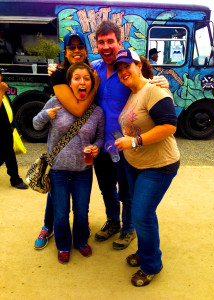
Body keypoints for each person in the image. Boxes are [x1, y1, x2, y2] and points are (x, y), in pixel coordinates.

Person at [47, 21, 169, 251]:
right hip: (101, 143)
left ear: (119, 43)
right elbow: (74, 78)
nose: (105, 46)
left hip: (127, 144)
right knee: (106, 188)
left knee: (127, 191)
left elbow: (150, 85)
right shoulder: (94, 69)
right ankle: (113, 220)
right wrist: (55, 70)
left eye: (110, 41)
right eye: (101, 42)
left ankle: (128, 228)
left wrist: (164, 82)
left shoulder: (131, 68)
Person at [113, 49, 180, 286]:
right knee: (142, 214)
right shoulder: (134, 93)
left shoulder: (153, 90)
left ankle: (151, 265)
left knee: (142, 214)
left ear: (139, 65)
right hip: (135, 164)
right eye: (119, 69)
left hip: (159, 165)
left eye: (127, 66)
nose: (123, 72)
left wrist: (133, 141)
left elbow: (169, 126)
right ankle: (145, 253)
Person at [34, 30, 99, 250]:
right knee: (58, 198)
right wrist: (95, 86)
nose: (76, 51)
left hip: (84, 151)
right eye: (71, 47)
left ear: (86, 50)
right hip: (60, 157)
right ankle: (48, 226)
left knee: (80, 204)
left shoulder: (94, 70)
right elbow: (78, 108)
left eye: (80, 46)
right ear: (65, 51)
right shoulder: (59, 75)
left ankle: (80, 231)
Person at [0, 68, 28, 189]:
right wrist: (1, 91)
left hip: (6, 128)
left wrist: (13, 125)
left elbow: (8, 109)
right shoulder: (2, 90)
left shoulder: (3, 90)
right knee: (5, 154)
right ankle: (15, 179)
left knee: (9, 153)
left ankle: (15, 179)